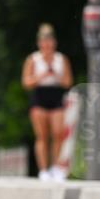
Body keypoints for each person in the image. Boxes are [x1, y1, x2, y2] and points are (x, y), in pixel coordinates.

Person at [21, 23, 73, 180]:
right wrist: (41, 76)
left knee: (58, 134)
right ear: (39, 43)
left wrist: (55, 75)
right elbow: (26, 82)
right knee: (42, 136)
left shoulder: (61, 59)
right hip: (40, 95)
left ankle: (56, 167)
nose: (47, 44)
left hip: (56, 94)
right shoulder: (33, 59)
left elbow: (68, 82)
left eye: (50, 40)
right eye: (44, 41)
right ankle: (43, 170)